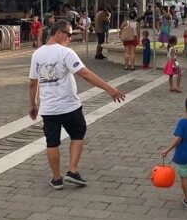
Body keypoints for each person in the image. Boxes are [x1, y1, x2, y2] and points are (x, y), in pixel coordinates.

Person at [29, 21, 125, 189]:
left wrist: (33, 104)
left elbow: (33, 83)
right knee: (78, 134)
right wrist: (109, 88)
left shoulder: (37, 54)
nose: (70, 38)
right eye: (68, 34)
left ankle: (57, 178)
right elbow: (85, 74)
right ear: (58, 33)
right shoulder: (66, 53)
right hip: (69, 106)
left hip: (48, 109)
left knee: (52, 142)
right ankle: (72, 170)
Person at [162, 94, 187, 208]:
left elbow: (178, 138)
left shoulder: (182, 123)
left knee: (184, 177)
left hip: (182, 156)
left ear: (186, 109)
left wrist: (168, 149)